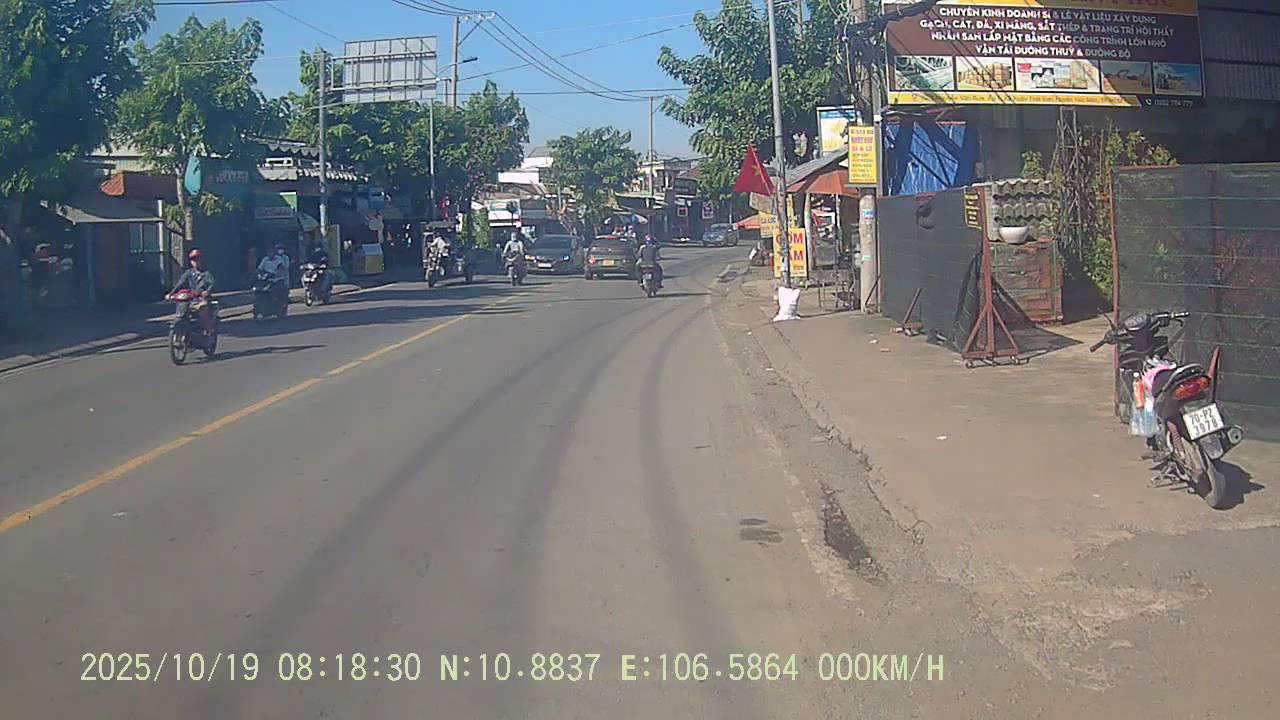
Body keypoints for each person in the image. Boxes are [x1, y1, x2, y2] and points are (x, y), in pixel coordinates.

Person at [171, 249, 216, 334]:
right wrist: (171, 293)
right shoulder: (189, 273)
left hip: (202, 298)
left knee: (203, 309)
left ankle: (206, 329)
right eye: (193, 260)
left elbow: (212, 283)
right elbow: (180, 283)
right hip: (191, 298)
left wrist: (207, 291)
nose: (195, 262)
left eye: (197, 259)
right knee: (184, 308)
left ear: (201, 260)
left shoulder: (206, 273)